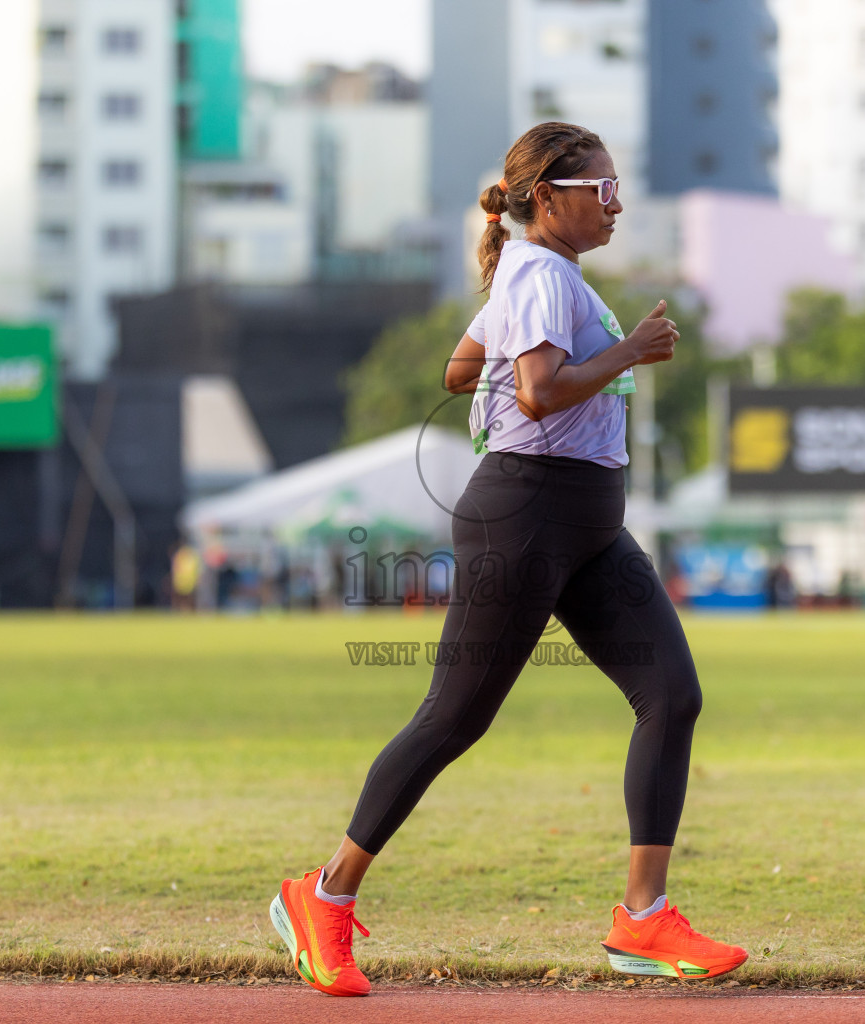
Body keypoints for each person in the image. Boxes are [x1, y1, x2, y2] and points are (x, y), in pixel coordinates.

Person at [269, 122, 747, 998]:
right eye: (603, 188)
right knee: (453, 719)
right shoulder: (536, 271)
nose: (617, 204)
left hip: (587, 524)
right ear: (551, 195)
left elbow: (461, 372)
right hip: (526, 514)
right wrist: (630, 351)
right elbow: (536, 389)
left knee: (672, 694)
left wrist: (527, 357)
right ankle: (323, 895)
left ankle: (642, 918)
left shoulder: (539, 277)